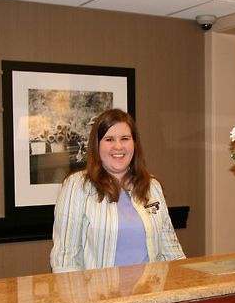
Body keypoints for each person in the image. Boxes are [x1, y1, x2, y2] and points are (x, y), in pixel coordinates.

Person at [50, 108, 185, 273]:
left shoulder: (152, 186)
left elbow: (172, 251)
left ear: (134, 143)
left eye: (125, 138)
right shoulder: (77, 187)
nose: (118, 146)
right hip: (100, 296)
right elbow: (65, 259)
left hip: (151, 294)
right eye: (109, 139)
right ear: (97, 145)